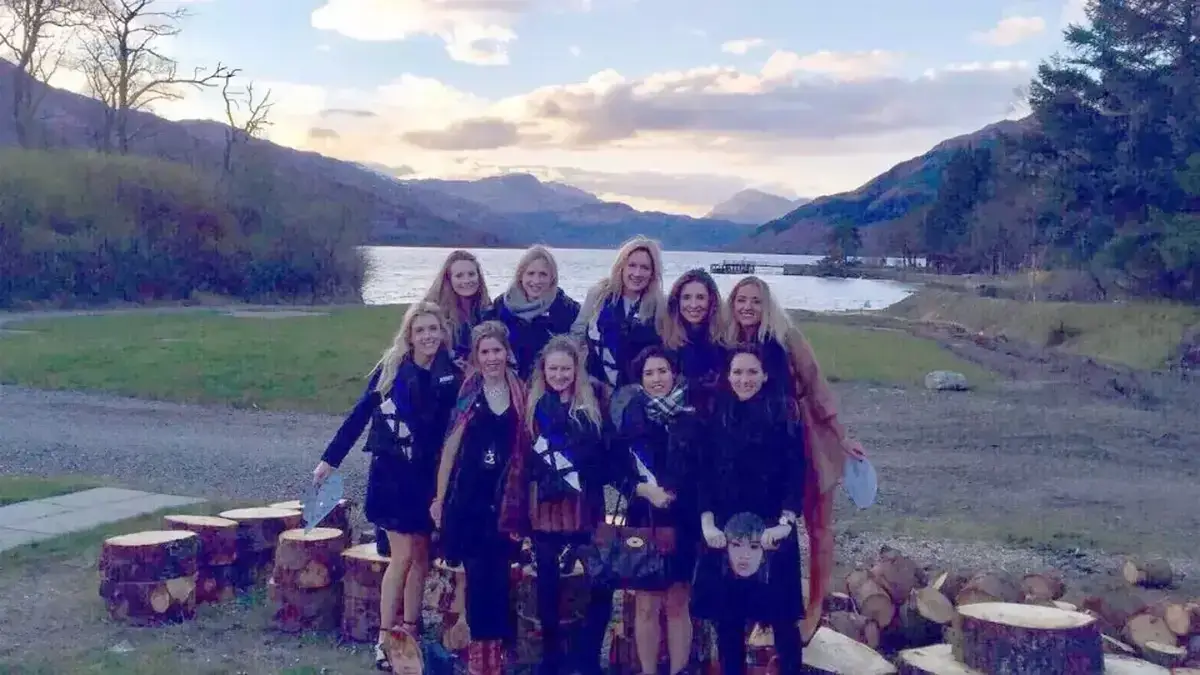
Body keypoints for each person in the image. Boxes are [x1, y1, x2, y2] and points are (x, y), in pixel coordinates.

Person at [311, 301, 463, 672]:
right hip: (392, 477)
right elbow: (358, 417)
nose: (427, 336)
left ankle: (409, 628)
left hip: (429, 481)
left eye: (433, 329)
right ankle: (383, 635)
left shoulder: (453, 376)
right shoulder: (390, 371)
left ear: (443, 333)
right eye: (420, 330)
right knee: (403, 555)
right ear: (409, 335)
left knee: (422, 556)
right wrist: (329, 460)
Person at [721, 275, 867, 640]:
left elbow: (817, 384)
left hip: (806, 437)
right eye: (741, 300)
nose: (747, 307)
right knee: (763, 522)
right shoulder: (730, 342)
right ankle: (764, 603)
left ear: (766, 304)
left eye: (755, 300)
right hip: (763, 446)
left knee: (817, 526)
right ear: (732, 304)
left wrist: (841, 433)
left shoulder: (787, 338)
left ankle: (815, 604)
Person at [504, 335, 618, 675]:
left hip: (586, 505)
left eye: (565, 368)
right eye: (553, 368)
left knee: (602, 582)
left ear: (576, 369)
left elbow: (608, 450)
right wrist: (516, 512)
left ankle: (587, 657)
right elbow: (521, 460)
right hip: (546, 510)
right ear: (543, 369)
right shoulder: (531, 404)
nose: (559, 374)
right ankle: (551, 657)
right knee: (548, 585)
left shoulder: (595, 400)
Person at [693, 345, 806, 675]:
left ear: (765, 375)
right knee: (729, 621)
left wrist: (786, 521)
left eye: (752, 372)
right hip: (726, 531)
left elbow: (795, 473)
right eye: (738, 372)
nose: (745, 379)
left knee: (783, 619)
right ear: (728, 376)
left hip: (773, 527)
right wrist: (708, 522)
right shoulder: (715, 415)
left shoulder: (785, 415)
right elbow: (705, 475)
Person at [430, 320, 528, 675]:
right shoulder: (468, 394)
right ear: (476, 355)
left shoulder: (522, 393)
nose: (491, 358)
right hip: (469, 500)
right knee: (474, 577)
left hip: (507, 501)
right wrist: (439, 499)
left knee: (500, 578)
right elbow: (449, 451)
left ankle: (496, 654)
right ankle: (477, 657)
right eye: (484, 352)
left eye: (496, 350)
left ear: (507, 352)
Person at [616, 346, 703, 675]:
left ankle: (680, 670)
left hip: (684, 519)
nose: (657, 379)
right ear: (640, 379)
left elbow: (705, 469)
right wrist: (644, 490)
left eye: (662, 371)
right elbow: (615, 468)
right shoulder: (630, 415)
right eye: (649, 373)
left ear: (674, 374)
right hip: (644, 517)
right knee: (647, 603)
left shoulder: (693, 417)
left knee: (679, 601)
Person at [571, 235, 666, 399]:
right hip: (595, 385)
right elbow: (577, 334)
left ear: (653, 273)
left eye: (645, 268)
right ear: (621, 266)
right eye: (632, 265)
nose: (637, 273)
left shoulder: (660, 305)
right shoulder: (598, 294)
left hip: (637, 393)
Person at [487, 245, 581, 380]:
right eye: (530, 273)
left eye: (543, 274)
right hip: (511, 382)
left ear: (552, 278)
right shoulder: (501, 305)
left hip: (551, 385)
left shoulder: (567, 308)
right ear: (520, 275)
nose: (536, 281)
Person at [658, 268, 728, 412]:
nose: (694, 305)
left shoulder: (724, 342)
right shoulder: (663, 339)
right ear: (677, 302)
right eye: (687, 297)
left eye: (701, 297)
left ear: (711, 301)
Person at [423, 249, 492, 366]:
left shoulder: (488, 310)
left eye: (471, 274)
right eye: (459, 276)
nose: (466, 280)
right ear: (448, 280)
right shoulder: (434, 313)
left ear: (479, 277)